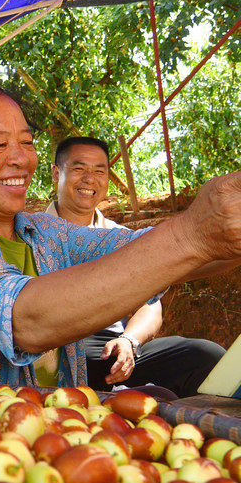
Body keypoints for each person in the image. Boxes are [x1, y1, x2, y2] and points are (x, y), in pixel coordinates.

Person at [0, 80, 241, 389]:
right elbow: (25, 320)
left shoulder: (45, 232)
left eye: (26, 142)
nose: (21, 158)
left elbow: (145, 249)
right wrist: (194, 235)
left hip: (58, 435)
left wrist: (224, 233)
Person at [45, 136, 223, 396]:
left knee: (204, 356)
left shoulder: (123, 237)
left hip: (111, 350)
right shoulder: (31, 231)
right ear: (56, 173)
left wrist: (129, 341)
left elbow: (150, 306)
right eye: (79, 168)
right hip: (54, 346)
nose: (89, 179)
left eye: (99, 171)